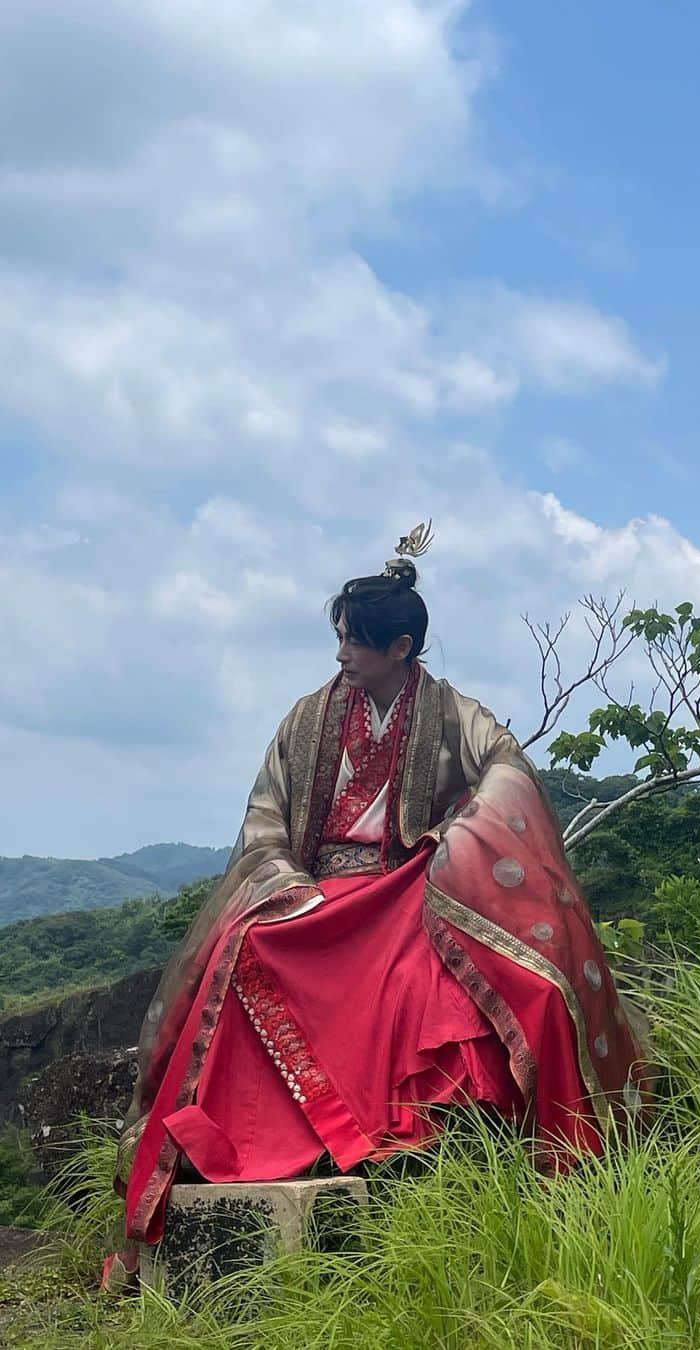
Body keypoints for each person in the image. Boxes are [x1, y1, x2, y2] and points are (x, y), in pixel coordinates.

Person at [108, 525, 647, 1277]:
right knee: (251, 947)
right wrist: (285, 884)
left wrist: (461, 841)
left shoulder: (454, 713)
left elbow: (505, 768)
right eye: (336, 638)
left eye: (355, 642)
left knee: (440, 980)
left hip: (404, 889)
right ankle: (259, 1130)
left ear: (401, 648)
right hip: (315, 895)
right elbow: (267, 817)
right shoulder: (307, 719)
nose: (340, 656)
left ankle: (404, 1132)